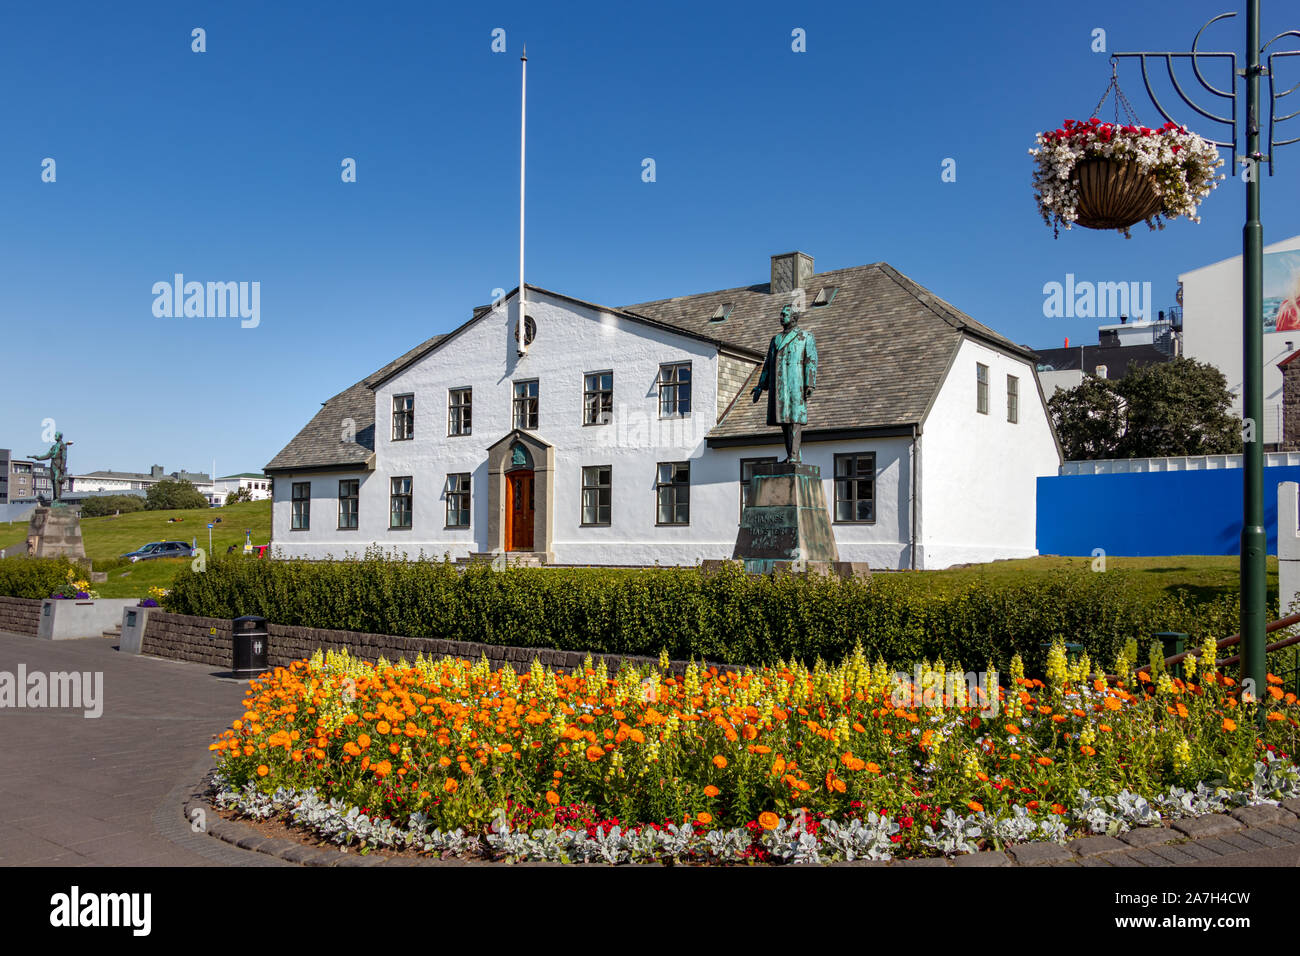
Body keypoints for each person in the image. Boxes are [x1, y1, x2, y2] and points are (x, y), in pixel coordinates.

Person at [752, 304, 818, 462]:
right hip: (779, 385)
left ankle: (794, 457)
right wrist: (761, 386)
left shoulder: (805, 336)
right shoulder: (775, 339)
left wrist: (810, 384)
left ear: (794, 317)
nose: (780, 317)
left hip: (796, 383)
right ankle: (793, 454)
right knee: (784, 421)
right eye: (780, 314)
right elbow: (768, 365)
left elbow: (811, 361)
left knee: (794, 419)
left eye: (784, 315)